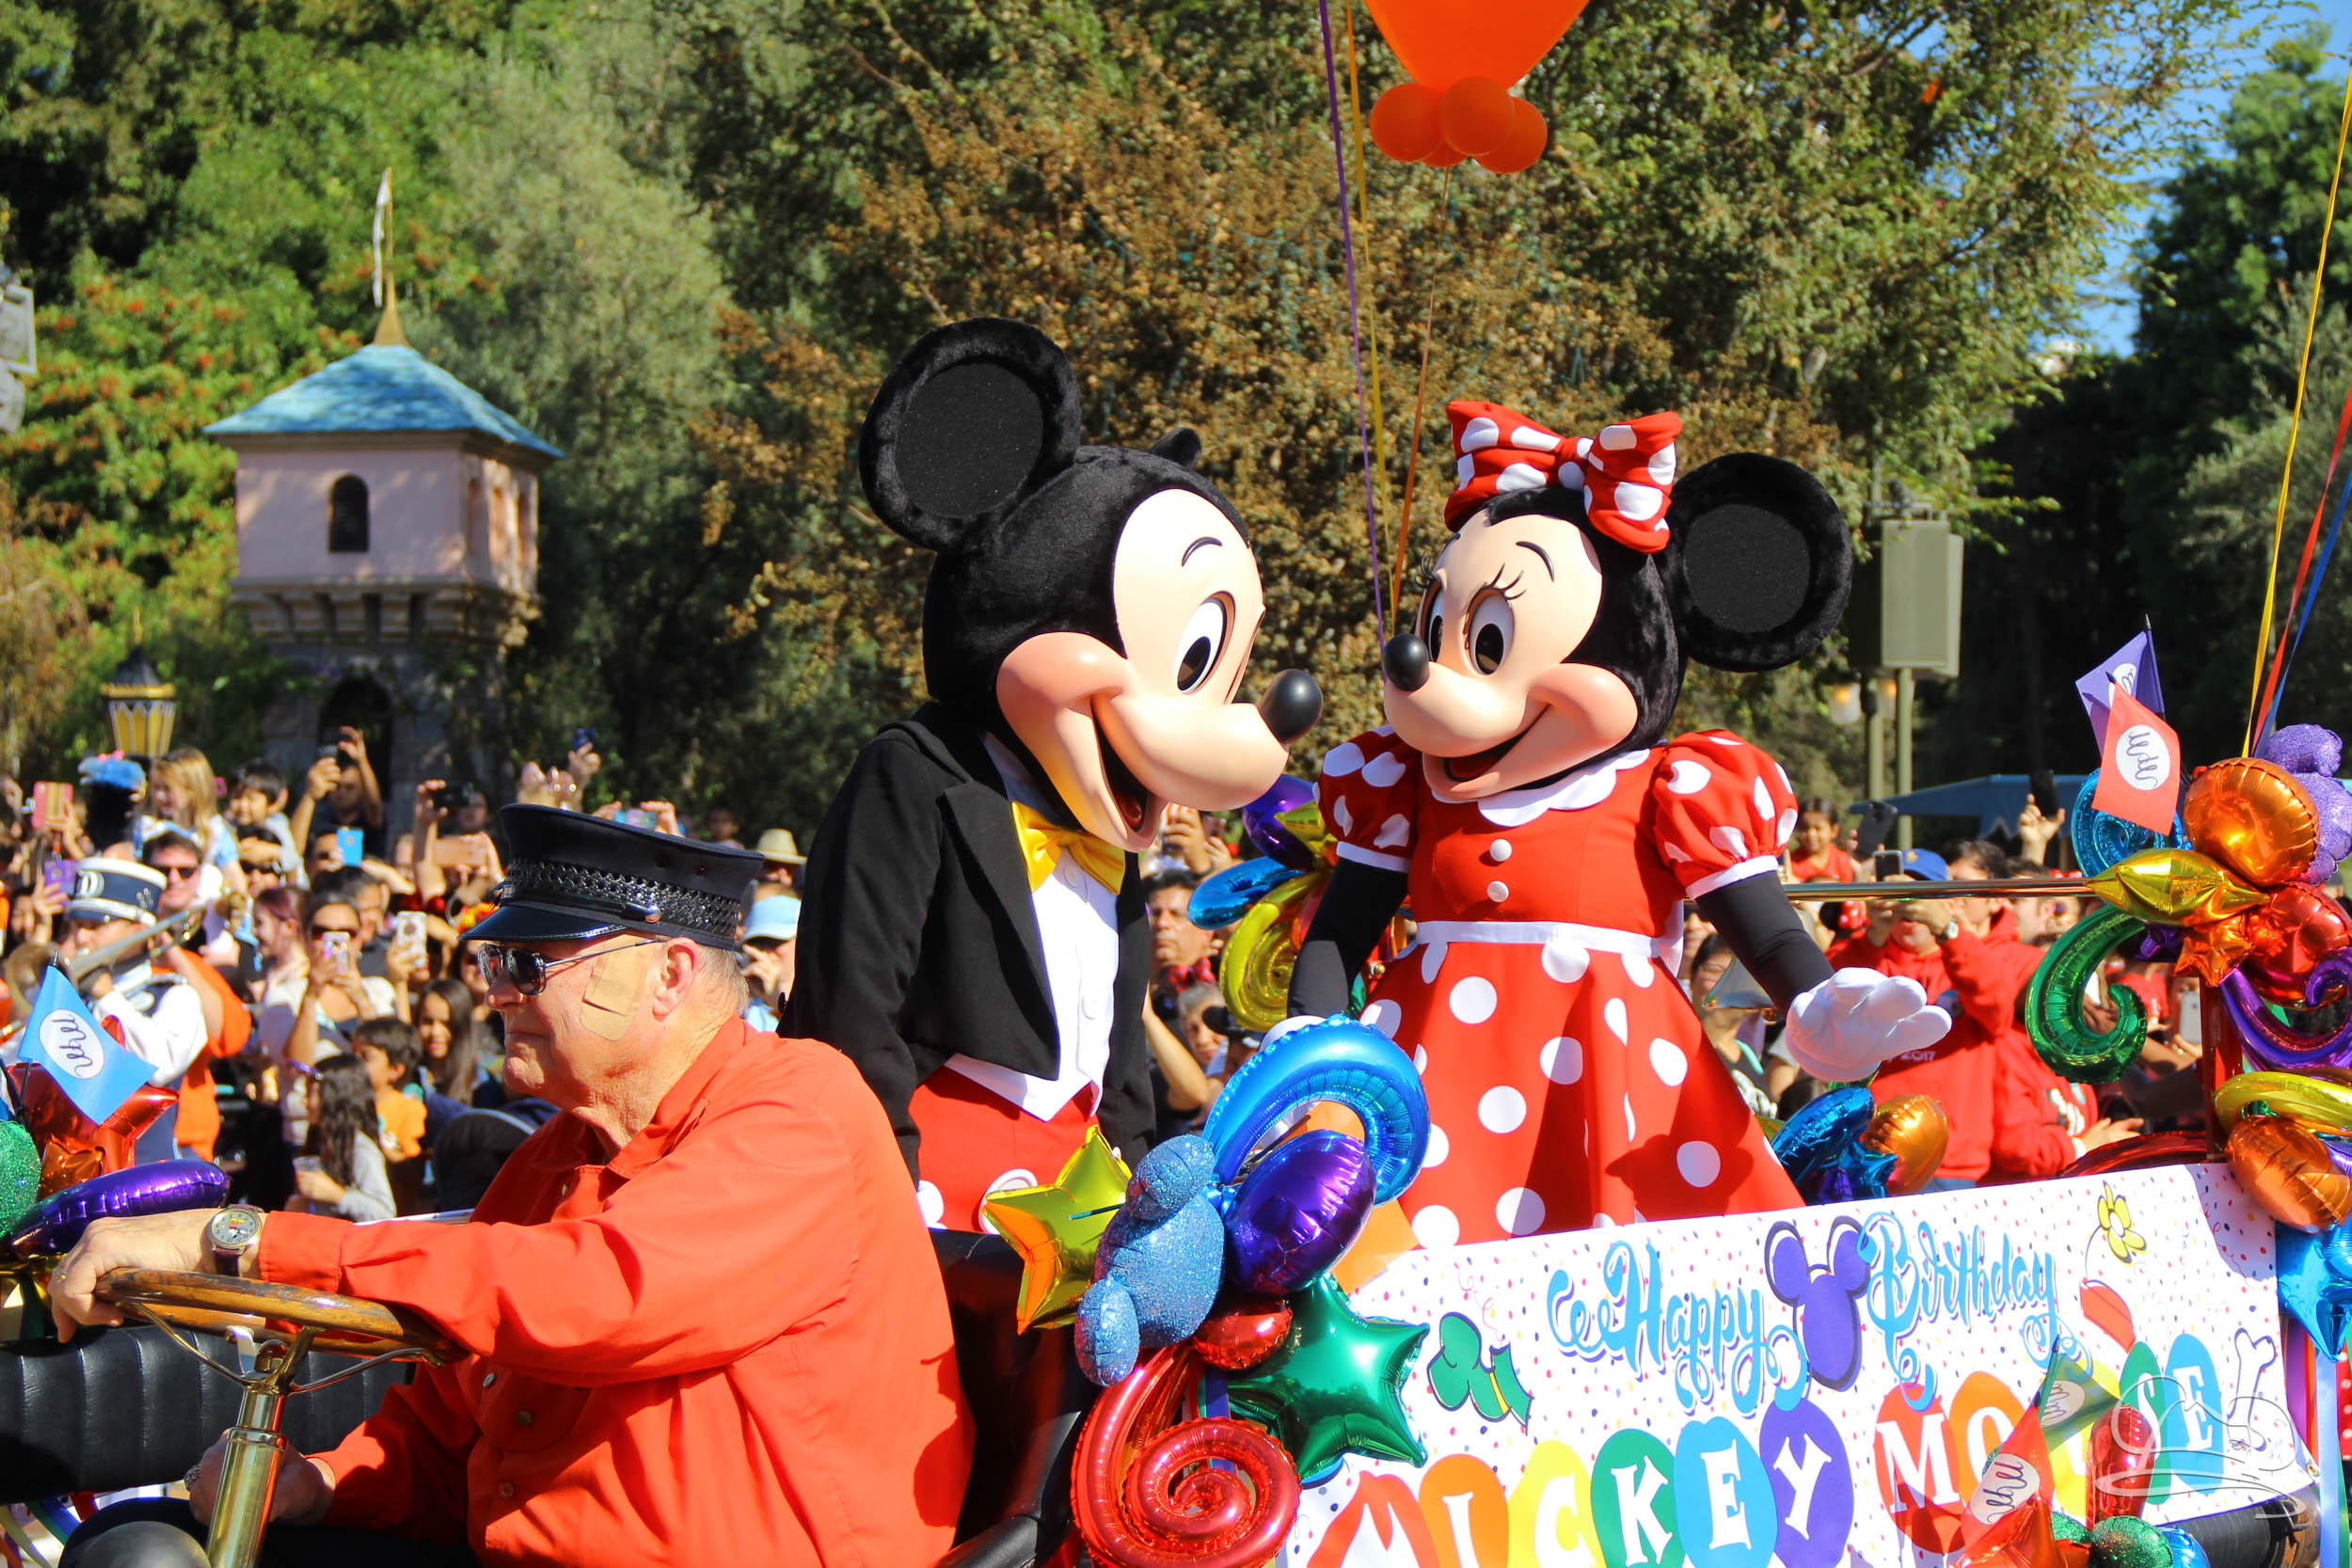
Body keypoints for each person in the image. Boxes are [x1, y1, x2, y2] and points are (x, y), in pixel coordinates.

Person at [54, 803, 974, 1568]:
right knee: (138, 1548)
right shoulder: (559, 1154)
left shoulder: (800, 1109)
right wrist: (322, 1480)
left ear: (670, 973)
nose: (498, 992)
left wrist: (239, 1239)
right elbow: (446, 1424)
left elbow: (597, 1291)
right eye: (495, 962)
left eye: (530, 964)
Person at [58, 858, 208, 1157]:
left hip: (144, 1173)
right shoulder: (68, 996)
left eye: (96, 925)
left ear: (140, 929)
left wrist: (106, 996)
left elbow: (159, 1067)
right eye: (76, 925)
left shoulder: (175, 996)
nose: (81, 937)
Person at [289, 1053, 397, 1223]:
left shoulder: (361, 1148)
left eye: (310, 1093)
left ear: (333, 1098)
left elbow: (385, 1212)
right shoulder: (319, 1138)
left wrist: (338, 1195)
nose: (304, 1101)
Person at [289, 727, 387, 863]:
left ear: (361, 791)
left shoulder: (369, 821)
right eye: (337, 786)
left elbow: (374, 804)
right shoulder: (320, 823)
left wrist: (361, 760)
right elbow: (291, 852)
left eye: (350, 788)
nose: (342, 792)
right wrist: (309, 795)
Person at [739, 893, 799, 1032]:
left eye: (774, 942)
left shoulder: (822, 998)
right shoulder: (740, 1008)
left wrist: (780, 1006)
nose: (764, 953)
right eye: (757, 944)